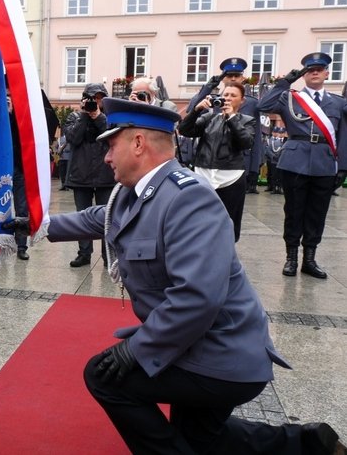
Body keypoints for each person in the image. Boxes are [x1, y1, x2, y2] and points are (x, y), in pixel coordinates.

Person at [44, 98, 345, 454]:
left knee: (103, 375)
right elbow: (97, 218)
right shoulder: (132, 194)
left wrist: (136, 351)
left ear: (138, 144)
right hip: (193, 342)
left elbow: (197, 298)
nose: (107, 157)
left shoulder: (189, 198)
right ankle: (307, 444)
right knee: (201, 438)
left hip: (222, 353)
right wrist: (34, 226)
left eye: (111, 146)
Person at [258, 52, 347, 279]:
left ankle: (309, 259)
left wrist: (343, 166)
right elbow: (263, 105)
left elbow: (344, 135)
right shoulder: (290, 98)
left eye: (319, 68)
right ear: (304, 74)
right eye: (309, 69)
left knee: (317, 214)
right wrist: (286, 81)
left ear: (327, 72)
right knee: (293, 212)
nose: (314, 72)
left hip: (325, 163)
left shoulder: (338, 103)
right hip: (295, 162)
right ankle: (291, 258)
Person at [178, 82, 256, 242]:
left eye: (233, 96)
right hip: (204, 174)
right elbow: (185, 130)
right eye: (225, 95)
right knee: (200, 220)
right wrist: (196, 110)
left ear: (242, 101)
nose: (227, 99)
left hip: (231, 177)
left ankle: (226, 258)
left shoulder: (247, 120)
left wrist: (232, 118)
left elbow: (246, 143)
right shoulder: (209, 117)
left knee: (229, 221)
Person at [188, 57, 264, 194]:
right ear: (223, 78)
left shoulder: (251, 103)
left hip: (239, 163)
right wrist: (209, 86)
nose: (233, 78)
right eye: (229, 75)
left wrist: (254, 167)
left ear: (242, 78)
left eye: (237, 75)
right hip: (209, 163)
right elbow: (192, 109)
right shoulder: (212, 100)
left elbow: (256, 137)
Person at [63, 82, 116, 267]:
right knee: (83, 218)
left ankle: (108, 256)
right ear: (85, 99)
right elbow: (73, 139)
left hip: (105, 176)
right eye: (93, 98)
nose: (97, 101)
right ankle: (84, 254)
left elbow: (112, 138)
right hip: (81, 176)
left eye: (100, 98)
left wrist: (99, 117)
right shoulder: (74, 117)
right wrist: (86, 116)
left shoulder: (111, 118)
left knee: (107, 217)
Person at [7, 86, 30, 260]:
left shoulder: (21, 116)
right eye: (5, 95)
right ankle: (3, 244)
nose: (8, 98)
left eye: (10, 95)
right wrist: (5, 114)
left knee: (22, 208)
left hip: (19, 168)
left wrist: (12, 114)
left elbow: (23, 136)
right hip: (2, 169)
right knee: (1, 207)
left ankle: (21, 246)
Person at [264, 114, 287, 195]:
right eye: (278, 132)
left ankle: (280, 188)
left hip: (281, 160)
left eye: (281, 133)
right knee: (272, 174)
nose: (279, 134)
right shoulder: (271, 140)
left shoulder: (285, 141)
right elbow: (268, 149)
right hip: (272, 160)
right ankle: (273, 187)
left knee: (280, 176)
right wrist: (273, 156)